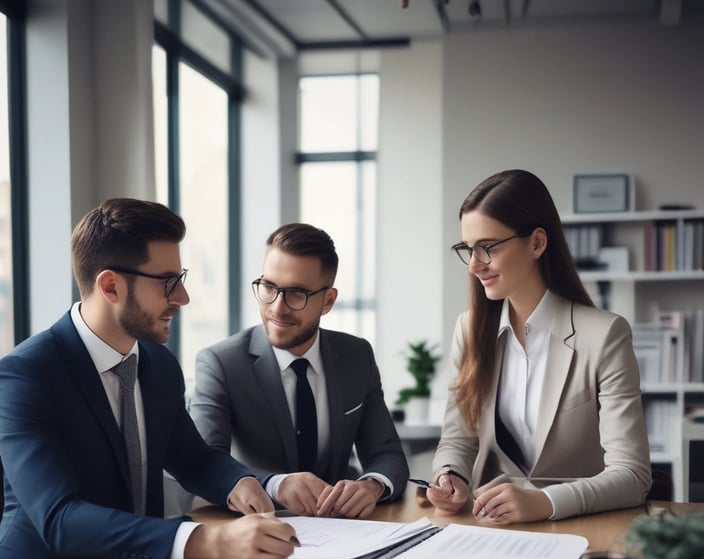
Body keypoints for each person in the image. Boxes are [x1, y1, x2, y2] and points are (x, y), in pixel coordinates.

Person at [0, 198, 296, 559]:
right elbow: (60, 519)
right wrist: (210, 540)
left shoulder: (157, 365)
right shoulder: (27, 374)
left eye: (179, 279)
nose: (182, 297)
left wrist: (241, 482)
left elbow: (193, 458)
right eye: (167, 282)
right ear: (110, 287)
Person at [427, 169, 651, 523]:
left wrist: (546, 502)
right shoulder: (469, 329)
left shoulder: (605, 334)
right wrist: (449, 475)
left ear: (536, 243)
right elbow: (458, 440)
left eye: (486, 247)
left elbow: (633, 475)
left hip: (580, 528)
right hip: (489, 529)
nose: (474, 265)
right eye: (468, 250)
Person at [189, 222, 408, 519]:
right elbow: (204, 462)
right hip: (252, 530)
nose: (277, 308)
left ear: (328, 300)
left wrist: (372, 486)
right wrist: (276, 485)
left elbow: (387, 454)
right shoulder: (221, 363)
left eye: (297, 294)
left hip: (343, 531)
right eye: (268, 287)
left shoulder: (357, 356)